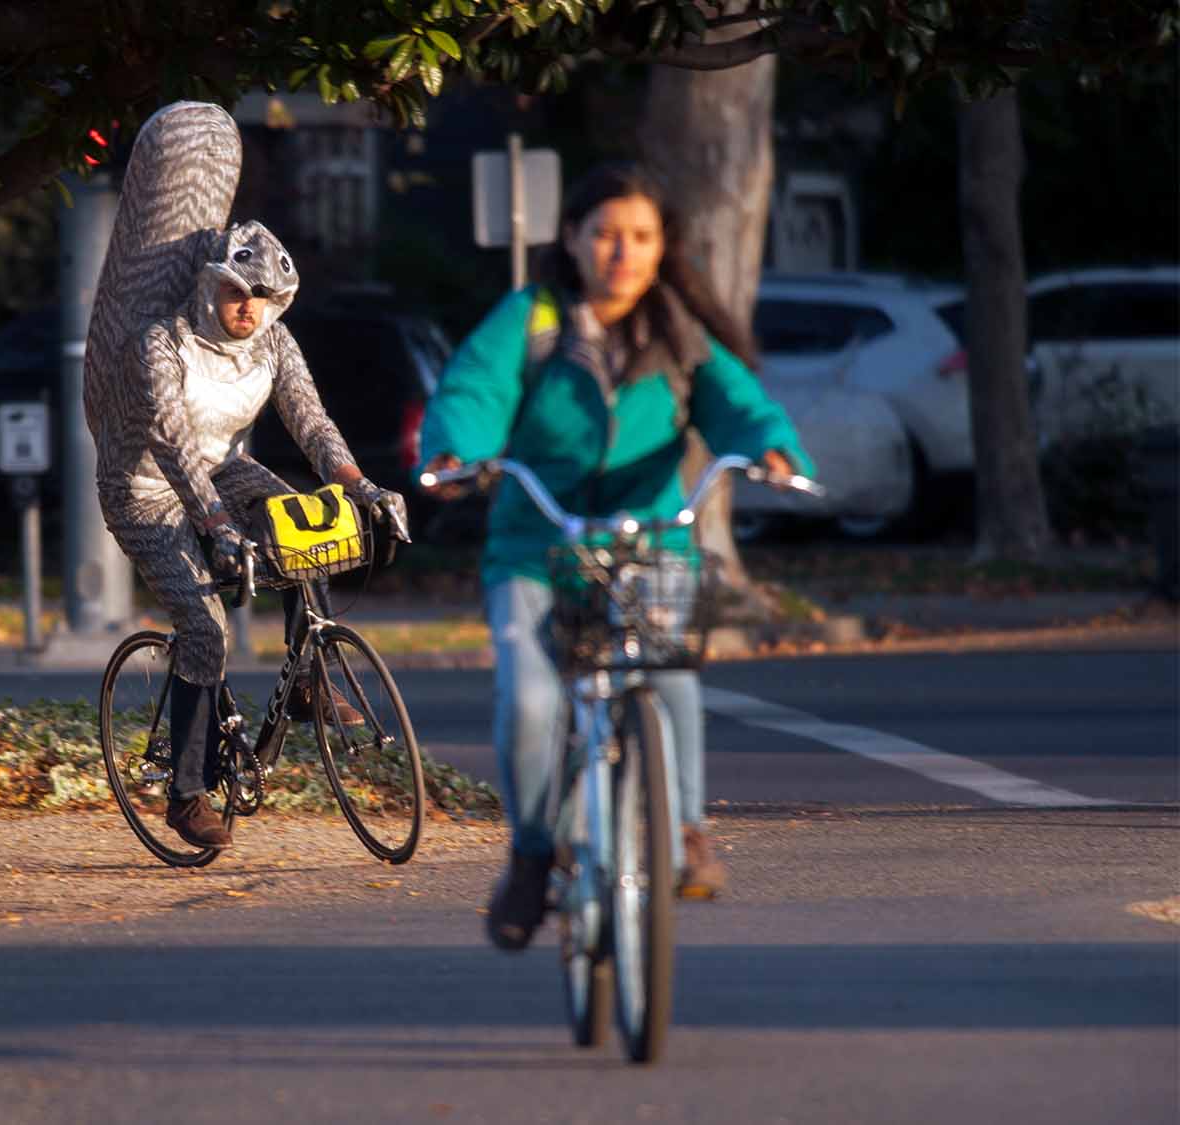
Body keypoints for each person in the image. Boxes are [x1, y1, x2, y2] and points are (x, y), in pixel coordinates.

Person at [416, 162, 812, 950]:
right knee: (531, 702)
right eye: (603, 234)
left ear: (663, 247)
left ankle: (687, 830)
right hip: (538, 546)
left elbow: (737, 403)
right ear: (571, 238)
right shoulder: (532, 318)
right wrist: (458, 453)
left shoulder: (677, 330)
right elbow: (473, 390)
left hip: (649, 542)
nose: (620, 254)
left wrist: (768, 448)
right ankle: (532, 855)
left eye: (639, 237)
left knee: (668, 679)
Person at [93, 219, 408, 851]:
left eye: (262, 296)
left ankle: (307, 680)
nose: (249, 307)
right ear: (211, 287)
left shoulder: (274, 342)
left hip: (226, 468)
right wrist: (216, 528)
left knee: (302, 521)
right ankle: (186, 796)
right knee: (206, 627)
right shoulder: (164, 344)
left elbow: (311, 422)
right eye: (237, 291)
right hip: (144, 485)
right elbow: (174, 444)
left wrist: (361, 487)